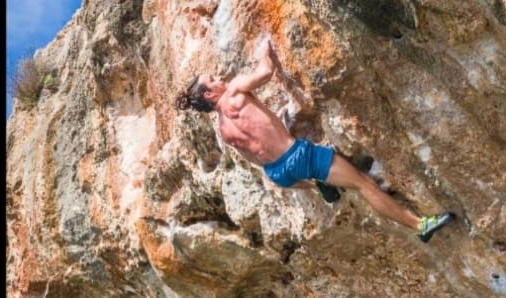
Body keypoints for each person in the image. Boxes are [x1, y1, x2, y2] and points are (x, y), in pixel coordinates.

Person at [173, 36, 455, 243]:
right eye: (213, 78)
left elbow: (255, 159)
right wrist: (264, 49)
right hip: (298, 155)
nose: (220, 76)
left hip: (279, 173)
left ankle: (320, 183)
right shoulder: (233, 92)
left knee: (316, 178)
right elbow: (265, 72)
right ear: (211, 95)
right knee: (364, 183)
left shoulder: (224, 130)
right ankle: (420, 225)